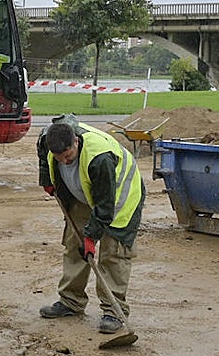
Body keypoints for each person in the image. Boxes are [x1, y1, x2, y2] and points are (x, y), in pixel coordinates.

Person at [36, 116, 145, 333]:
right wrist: (47, 179)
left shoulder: (100, 158)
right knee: (74, 244)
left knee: (113, 254)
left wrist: (91, 238)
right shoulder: (47, 139)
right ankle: (71, 301)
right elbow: (42, 156)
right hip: (84, 192)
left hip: (119, 198)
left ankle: (113, 311)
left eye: (68, 156)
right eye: (59, 158)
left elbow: (105, 206)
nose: (64, 162)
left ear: (76, 141)